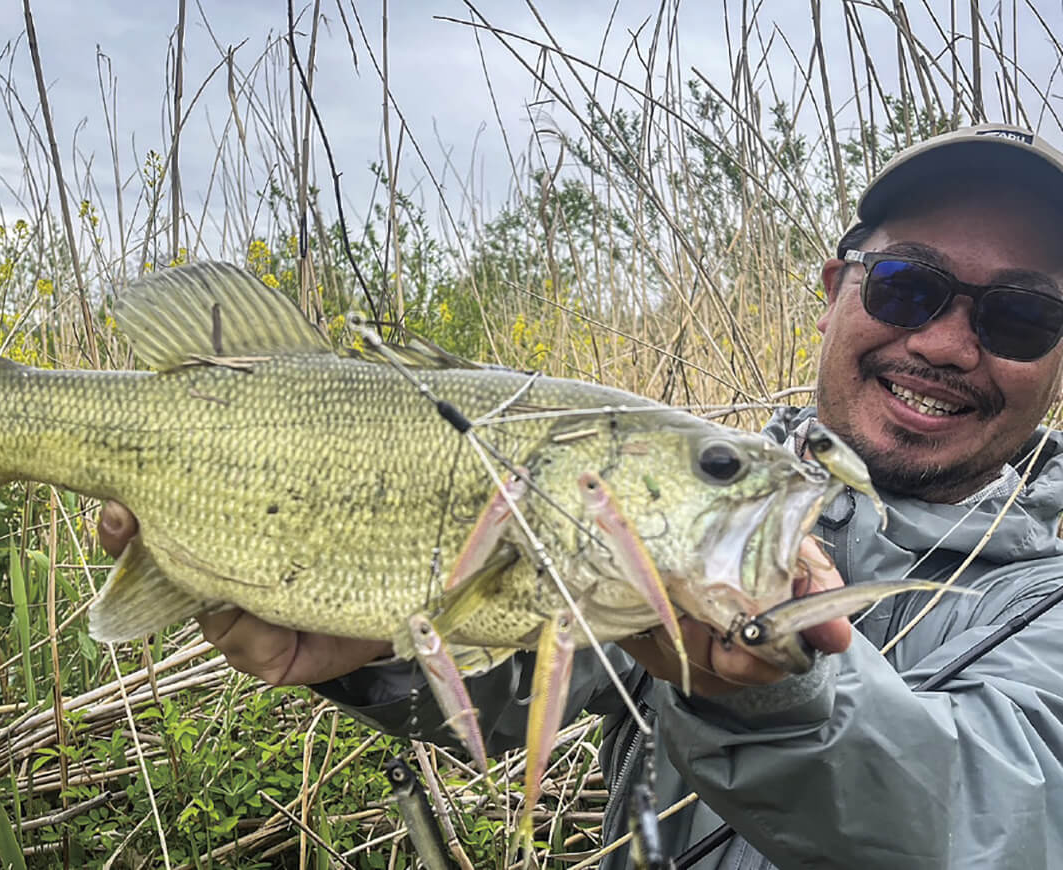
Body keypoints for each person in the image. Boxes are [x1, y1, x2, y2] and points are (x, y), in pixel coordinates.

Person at [99, 123, 1063, 868]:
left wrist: (778, 695)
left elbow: (1002, 827)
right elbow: (530, 678)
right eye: (907, 287)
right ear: (834, 290)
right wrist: (370, 644)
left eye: (1021, 317)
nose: (944, 344)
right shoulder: (704, 495)